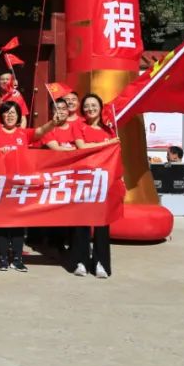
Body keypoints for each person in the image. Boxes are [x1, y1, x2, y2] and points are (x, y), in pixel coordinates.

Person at [0, 101, 61, 271]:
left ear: (18, 116)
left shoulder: (23, 133)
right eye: (6, 112)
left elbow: (40, 131)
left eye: (13, 113)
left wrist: (53, 122)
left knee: (18, 224)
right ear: (1, 115)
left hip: (20, 186)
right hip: (1, 186)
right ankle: (2, 258)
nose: (10, 115)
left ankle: (17, 259)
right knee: (2, 224)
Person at [72, 93, 120, 278]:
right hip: (83, 179)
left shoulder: (109, 129)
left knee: (102, 224)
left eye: (94, 105)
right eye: (86, 106)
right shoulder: (79, 125)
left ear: (100, 108)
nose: (90, 109)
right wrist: (105, 144)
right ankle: (81, 261)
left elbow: (115, 153)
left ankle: (101, 263)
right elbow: (81, 147)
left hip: (103, 180)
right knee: (81, 222)